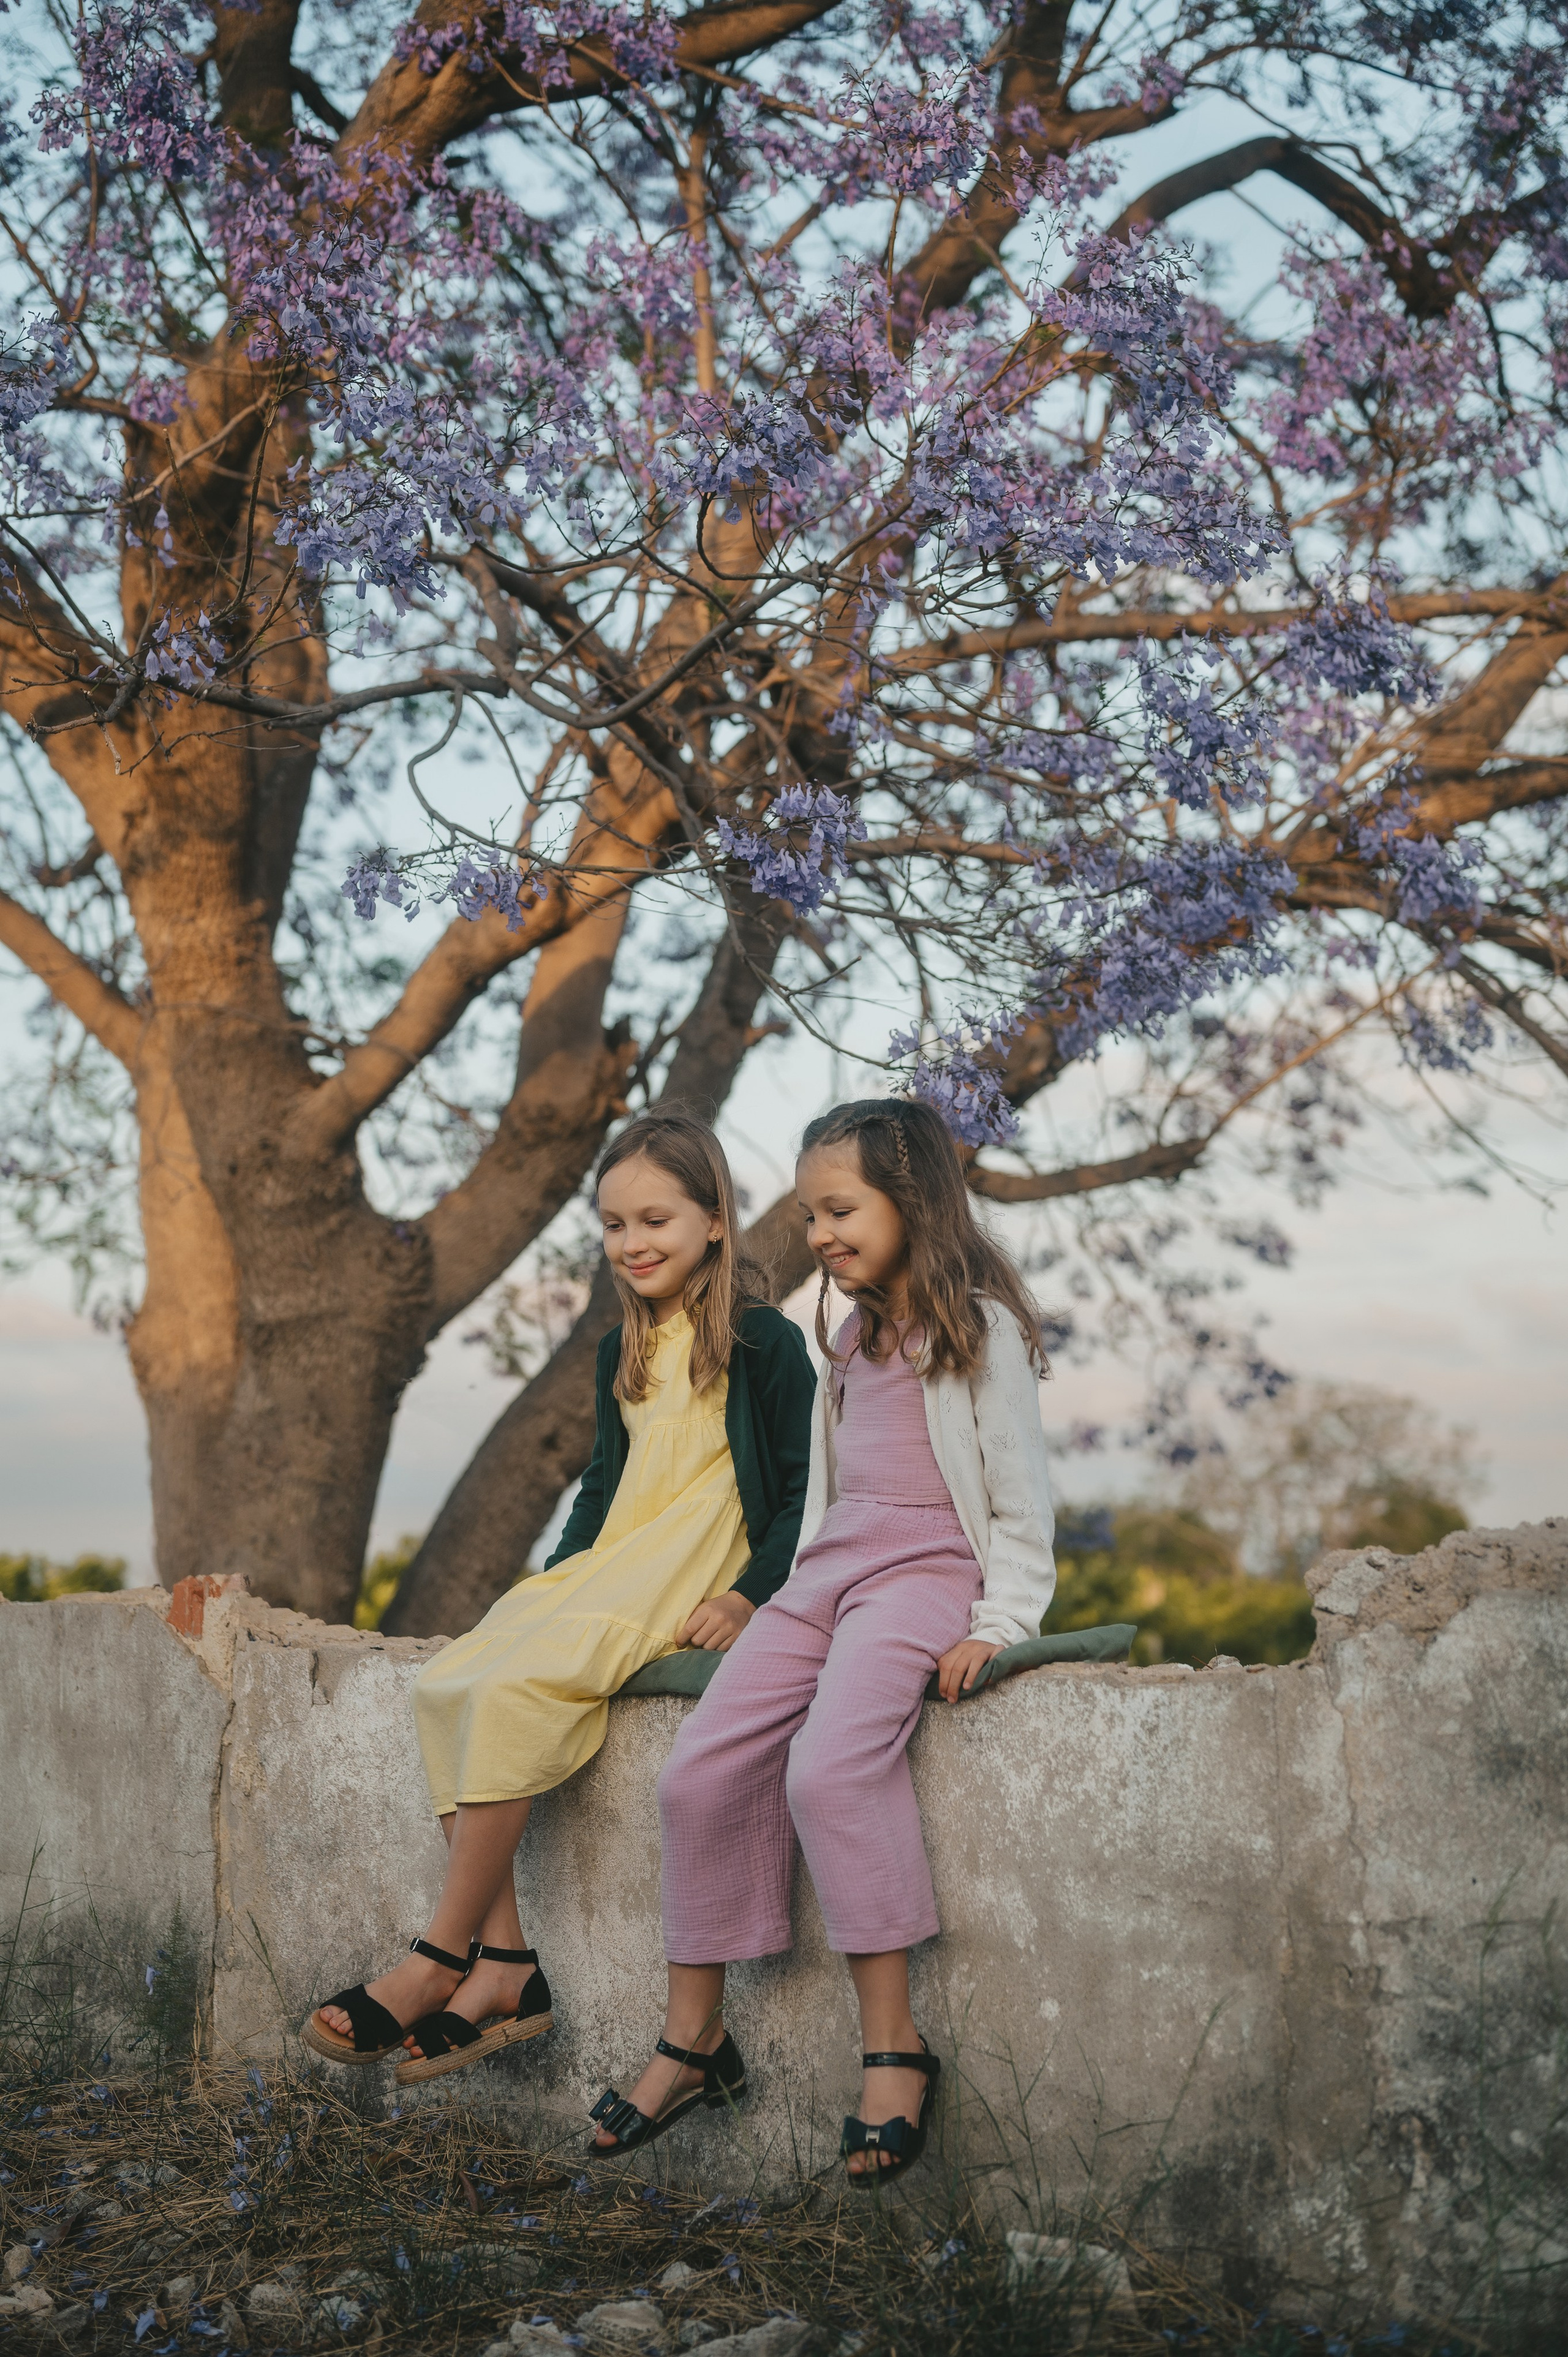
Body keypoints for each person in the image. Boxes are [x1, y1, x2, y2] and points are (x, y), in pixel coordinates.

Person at [588, 1096, 1055, 2180]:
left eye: (840, 1209)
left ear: (913, 1200)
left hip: (928, 1575)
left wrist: (1002, 1622)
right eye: (809, 1214)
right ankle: (693, 2038)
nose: (821, 1233)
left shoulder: (975, 1329)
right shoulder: (848, 1336)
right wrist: (782, 1598)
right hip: (830, 1574)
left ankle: (895, 2045)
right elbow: (833, 1495)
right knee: (697, 1774)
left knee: (833, 1771)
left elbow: (1023, 1502)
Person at [301, 1109, 816, 2084]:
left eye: (656, 1221)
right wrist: (552, 1581)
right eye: (615, 1227)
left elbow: (802, 1493)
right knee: (449, 1681)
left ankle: (440, 1956)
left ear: (716, 1220)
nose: (634, 1245)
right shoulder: (618, 1348)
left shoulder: (764, 1343)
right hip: (612, 1563)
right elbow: (601, 1488)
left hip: (687, 1574)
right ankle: (506, 1965)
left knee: (508, 1694)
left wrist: (750, 1597)